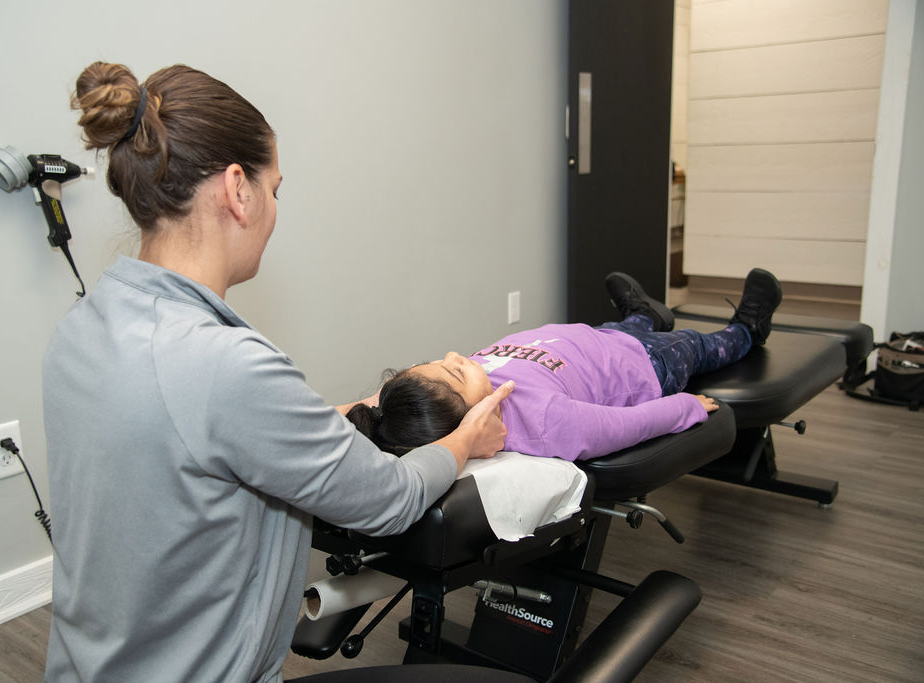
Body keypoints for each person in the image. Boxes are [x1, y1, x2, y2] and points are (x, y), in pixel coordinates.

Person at [42, 62, 516, 683]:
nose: (274, 209)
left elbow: (195, 443)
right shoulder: (226, 365)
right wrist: (465, 440)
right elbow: (391, 501)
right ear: (238, 189)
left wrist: (338, 418)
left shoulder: (84, 328)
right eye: (276, 189)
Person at [348, 269, 783, 462]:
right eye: (455, 371)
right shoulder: (543, 421)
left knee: (623, 325)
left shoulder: (443, 396)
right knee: (700, 344)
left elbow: (372, 407)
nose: (454, 356)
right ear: (471, 416)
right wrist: (684, 407)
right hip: (649, 365)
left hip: (600, 339)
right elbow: (625, 426)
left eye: (436, 362)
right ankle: (748, 328)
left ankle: (644, 314)